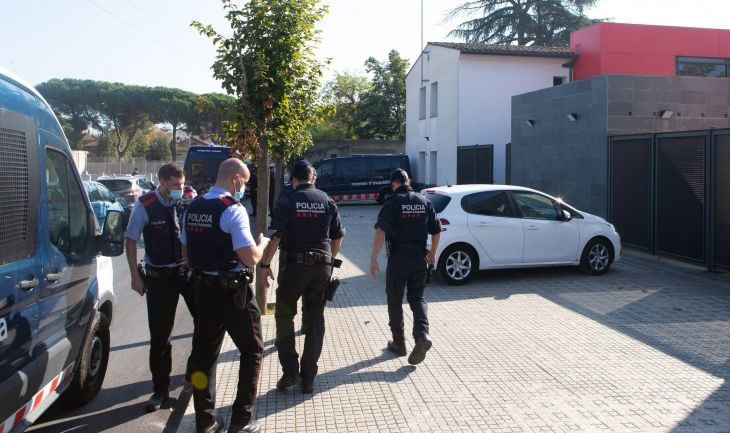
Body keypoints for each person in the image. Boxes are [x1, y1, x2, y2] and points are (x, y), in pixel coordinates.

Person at [182, 158, 268, 433]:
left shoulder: (193, 205)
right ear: (235, 179)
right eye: (244, 181)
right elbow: (249, 258)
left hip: (202, 289)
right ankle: (241, 421)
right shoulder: (233, 209)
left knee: (203, 357)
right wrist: (262, 244)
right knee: (252, 350)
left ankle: (204, 422)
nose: (244, 187)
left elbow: (186, 253)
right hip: (233, 293)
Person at [260, 159, 345, 394]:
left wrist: (265, 264)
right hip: (322, 268)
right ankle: (308, 377)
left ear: (294, 180)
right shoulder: (328, 201)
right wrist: (331, 260)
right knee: (316, 319)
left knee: (285, 316)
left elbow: (276, 236)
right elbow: (338, 236)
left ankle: (290, 371)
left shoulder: (287, 200)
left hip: (294, 267)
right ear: (313, 179)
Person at [124, 163, 196, 412]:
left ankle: (193, 370)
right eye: (176, 185)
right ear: (162, 182)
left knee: (207, 322)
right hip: (159, 277)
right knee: (160, 337)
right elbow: (130, 240)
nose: (180, 189)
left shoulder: (186, 201)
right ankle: (160, 391)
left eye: (183, 184)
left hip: (186, 273)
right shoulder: (145, 205)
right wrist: (135, 276)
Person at [369, 168, 441, 365]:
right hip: (420, 257)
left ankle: (399, 343)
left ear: (394, 183)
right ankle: (422, 336)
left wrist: (373, 259)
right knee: (417, 297)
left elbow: (381, 230)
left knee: (394, 299)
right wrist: (432, 255)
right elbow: (436, 230)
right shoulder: (424, 201)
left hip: (398, 257)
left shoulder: (392, 202)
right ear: (408, 180)